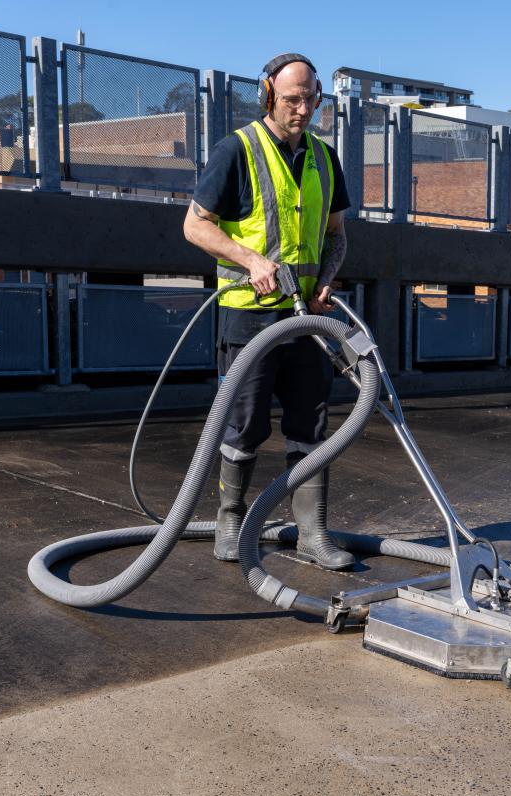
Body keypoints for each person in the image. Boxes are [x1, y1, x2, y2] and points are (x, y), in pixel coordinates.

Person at [182, 53, 353, 570]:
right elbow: (195, 226)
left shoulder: (325, 158)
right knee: (244, 423)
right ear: (268, 94)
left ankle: (312, 534)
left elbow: (337, 236)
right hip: (249, 315)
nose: (302, 109)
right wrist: (252, 259)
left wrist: (324, 283)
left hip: (307, 318)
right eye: (292, 98)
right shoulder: (238, 150)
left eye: (311, 99)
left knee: (311, 423)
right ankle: (231, 521)